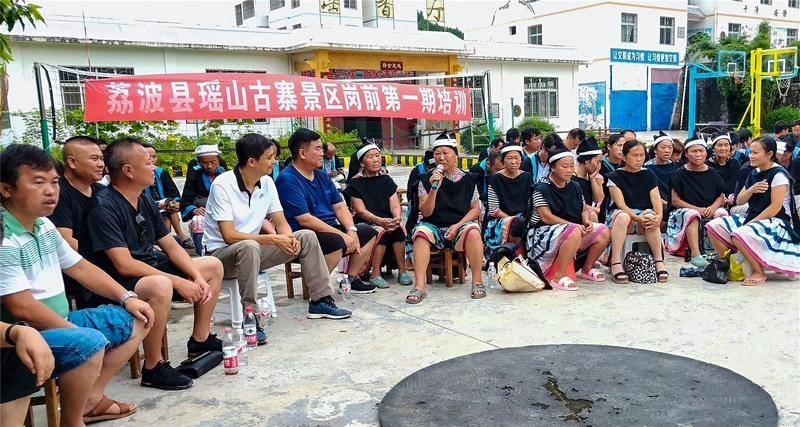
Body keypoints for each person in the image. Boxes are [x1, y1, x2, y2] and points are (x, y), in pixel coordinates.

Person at [0, 144, 152, 423]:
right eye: (38, 182)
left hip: (60, 319)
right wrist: (73, 333)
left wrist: (127, 297)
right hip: (25, 333)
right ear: (6, 189)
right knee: (88, 343)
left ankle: (90, 400)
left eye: (54, 182)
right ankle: (72, 421)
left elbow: (80, 267)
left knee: (137, 317)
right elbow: (20, 306)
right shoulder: (5, 236)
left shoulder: (43, 225)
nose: (50, 190)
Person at [83, 138, 223, 390]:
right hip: (119, 281)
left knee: (211, 265)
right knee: (160, 285)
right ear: (128, 170)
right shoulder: (103, 207)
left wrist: (195, 276)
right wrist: (179, 281)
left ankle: (200, 339)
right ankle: (154, 366)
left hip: (150, 268)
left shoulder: (144, 199)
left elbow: (169, 244)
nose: (154, 168)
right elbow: (124, 264)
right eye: (148, 163)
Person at [204, 133, 352, 325]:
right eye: (269, 157)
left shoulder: (266, 183)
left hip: (254, 251)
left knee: (305, 236)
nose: (274, 162)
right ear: (251, 161)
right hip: (221, 257)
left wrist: (288, 239)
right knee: (248, 246)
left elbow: (281, 223)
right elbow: (229, 235)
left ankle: (320, 300)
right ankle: (251, 316)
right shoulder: (223, 185)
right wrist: (273, 239)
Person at [276, 128, 378, 293]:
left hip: (327, 228)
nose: (322, 152)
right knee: (336, 241)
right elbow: (305, 219)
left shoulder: (321, 175)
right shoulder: (287, 179)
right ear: (302, 153)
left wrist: (351, 230)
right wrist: (342, 235)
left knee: (367, 232)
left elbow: (339, 206)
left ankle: (351, 278)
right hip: (304, 234)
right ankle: (317, 290)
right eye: (317, 148)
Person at [706, 137, 800, 285]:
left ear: (769, 154)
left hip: (777, 222)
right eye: (751, 152)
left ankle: (759, 272)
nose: (751, 155)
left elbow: (775, 208)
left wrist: (750, 224)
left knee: (739, 233)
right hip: (753, 216)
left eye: (756, 152)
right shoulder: (754, 172)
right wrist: (751, 189)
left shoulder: (778, 175)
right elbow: (740, 200)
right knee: (713, 226)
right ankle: (728, 264)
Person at [406, 134, 484, 304]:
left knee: (473, 231)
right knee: (420, 233)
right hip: (433, 224)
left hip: (459, 224)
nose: (441, 157)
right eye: (437, 154)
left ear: (455, 155)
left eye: (445, 153)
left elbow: (475, 209)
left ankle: (477, 281)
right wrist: (434, 188)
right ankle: (419, 286)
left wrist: (457, 225)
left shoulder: (469, 179)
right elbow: (425, 212)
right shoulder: (426, 179)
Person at [528, 145, 610, 290]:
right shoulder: (540, 187)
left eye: (571, 166)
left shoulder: (574, 186)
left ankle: (587, 268)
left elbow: (584, 208)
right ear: (553, 168)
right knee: (573, 230)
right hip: (542, 231)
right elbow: (546, 217)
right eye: (564, 166)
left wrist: (585, 221)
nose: (569, 170)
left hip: (570, 228)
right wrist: (574, 226)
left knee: (603, 230)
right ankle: (558, 277)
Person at [345, 143, 411, 288]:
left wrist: (397, 217)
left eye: (377, 156)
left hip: (386, 219)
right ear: (362, 162)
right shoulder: (355, 183)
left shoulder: (386, 180)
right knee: (381, 232)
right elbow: (361, 210)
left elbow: (395, 204)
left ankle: (402, 271)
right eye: (370, 157)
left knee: (398, 230)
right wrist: (379, 221)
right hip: (367, 221)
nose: (376, 160)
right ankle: (375, 273)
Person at [605, 140, 668, 284]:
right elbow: (620, 204)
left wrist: (658, 216)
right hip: (621, 215)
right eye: (635, 155)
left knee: (651, 217)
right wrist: (637, 218)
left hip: (642, 214)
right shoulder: (614, 177)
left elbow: (656, 199)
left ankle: (658, 260)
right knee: (623, 216)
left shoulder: (649, 175)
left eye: (642, 155)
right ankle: (615, 262)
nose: (639, 159)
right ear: (624, 157)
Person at [666, 136, 728, 267]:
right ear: (687, 154)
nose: (698, 154)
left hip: (708, 209)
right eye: (694, 151)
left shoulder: (713, 173)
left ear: (706, 152)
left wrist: (713, 207)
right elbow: (675, 200)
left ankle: (722, 253)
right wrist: (697, 209)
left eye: (701, 150)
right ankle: (696, 254)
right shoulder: (678, 174)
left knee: (721, 213)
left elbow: (721, 196)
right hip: (684, 212)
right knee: (691, 215)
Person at [142, 143, 193, 250]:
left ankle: (174, 238)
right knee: (166, 216)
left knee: (171, 207)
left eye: (154, 156)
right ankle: (171, 240)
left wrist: (175, 202)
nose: (152, 159)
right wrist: (158, 205)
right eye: (148, 157)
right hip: (147, 206)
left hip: (165, 205)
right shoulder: (138, 175)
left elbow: (173, 192)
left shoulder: (161, 173)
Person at [484, 144, 533, 251]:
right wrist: (512, 220)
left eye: (516, 158)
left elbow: (531, 203)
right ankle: (510, 253)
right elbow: (494, 210)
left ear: (521, 160)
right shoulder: (494, 179)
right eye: (509, 158)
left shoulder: (527, 177)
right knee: (518, 224)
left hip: (523, 218)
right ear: (503, 161)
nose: (513, 162)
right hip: (500, 220)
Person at [180, 144, 226, 254]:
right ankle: (203, 253)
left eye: (212, 162)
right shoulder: (194, 175)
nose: (209, 166)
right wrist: (194, 210)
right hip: (203, 210)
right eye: (204, 163)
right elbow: (186, 199)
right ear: (199, 162)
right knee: (198, 221)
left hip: (223, 208)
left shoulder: (225, 173)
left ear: (218, 160)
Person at [574, 137, 605, 222]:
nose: (599, 166)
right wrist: (596, 210)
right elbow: (576, 203)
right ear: (587, 160)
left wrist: (592, 179)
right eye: (597, 162)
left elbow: (598, 199)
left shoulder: (590, 176)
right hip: (575, 214)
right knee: (592, 215)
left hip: (588, 213)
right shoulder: (571, 177)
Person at [644, 131, 677, 210]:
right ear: (655, 150)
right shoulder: (647, 168)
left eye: (670, 147)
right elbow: (648, 193)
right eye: (663, 147)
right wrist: (668, 204)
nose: (667, 150)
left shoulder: (674, 166)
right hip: (656, 204)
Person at [707, 132, 742, 202]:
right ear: (713, 148)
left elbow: (735, 185)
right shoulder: (707, 165)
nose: (723, 148)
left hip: (731, 200)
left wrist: (731, 197)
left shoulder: (735, 163)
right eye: (719, 145)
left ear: (730, 148)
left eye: (726, 145)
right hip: (712, 201)